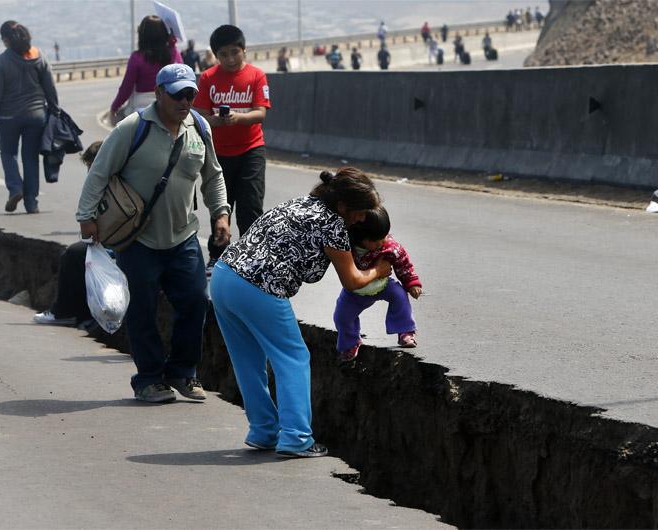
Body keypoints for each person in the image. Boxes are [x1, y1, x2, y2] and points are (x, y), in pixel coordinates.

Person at [76, 63, 231, 404]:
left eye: (190, 94)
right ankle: (148, 378)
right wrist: (86, 217)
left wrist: (220, 213)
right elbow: (99, 172)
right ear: (159, 93)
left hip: (183, 236)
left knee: (195, 302)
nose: (184, 101)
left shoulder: (199, 128)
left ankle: (182, 371)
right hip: (138, 240)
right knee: (142, 309)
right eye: (177, 95)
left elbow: (213, 176)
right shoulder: (133, 128)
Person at [210, 167, 391, 458]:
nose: (362, 219)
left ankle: (263, 430)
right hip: (259, 286)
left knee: (247, 360)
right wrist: (378, 270)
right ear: (343, 206)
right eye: (360, 212)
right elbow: (353, 281)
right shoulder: (332, 224)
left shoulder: (302, 203)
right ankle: (296, 437)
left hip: (223, 277)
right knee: (294, 358)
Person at [194, 25, 271, 276]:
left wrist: (238, 117)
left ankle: (252, 259)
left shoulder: (257, 76)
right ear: (216, 55)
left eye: (235, 53)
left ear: (244, 50)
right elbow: (201, 114)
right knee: (221, 207)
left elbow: (260, 113)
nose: (229, 59)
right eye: (223, 54)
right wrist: (215, 120)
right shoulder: (207, 78)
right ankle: (217, 256)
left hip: (251, 150)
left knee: (250, 206)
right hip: (218, 153)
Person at [0, 20, 59, 214]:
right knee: (30, 158)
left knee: (8, 154)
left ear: (6, 40)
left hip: (8, 118)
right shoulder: (39, 56)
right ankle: (32, 203)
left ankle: (15, 188)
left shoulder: (0, 62)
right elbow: (50, 86)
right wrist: (55, 109)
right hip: (36, 116)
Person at [332, 205, 422, 362]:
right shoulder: (347, 249)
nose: (382, 242)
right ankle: (351, 343)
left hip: (383, 285)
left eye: (385, 235)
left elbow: (403, 264)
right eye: (375, 240)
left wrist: (412, 282)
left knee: (400, 296)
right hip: (355, 292)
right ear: (359, 237)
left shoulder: (389, 247)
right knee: (341, 317)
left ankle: (406, 332)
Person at [34, 141, 104, 327]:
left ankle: (64, 312)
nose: (89, 171)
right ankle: (83, 315)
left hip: (124, 245)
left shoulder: (107, 184)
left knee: (75, 255)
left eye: (90, 166)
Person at [110, 15, 182, 126]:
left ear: (142, 35)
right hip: (169, 108)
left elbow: (126, 88)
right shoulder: (173, 54)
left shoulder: (137, 58)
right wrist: (172, 44)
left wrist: (114, 108)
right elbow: (182, 73)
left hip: (142, 111)